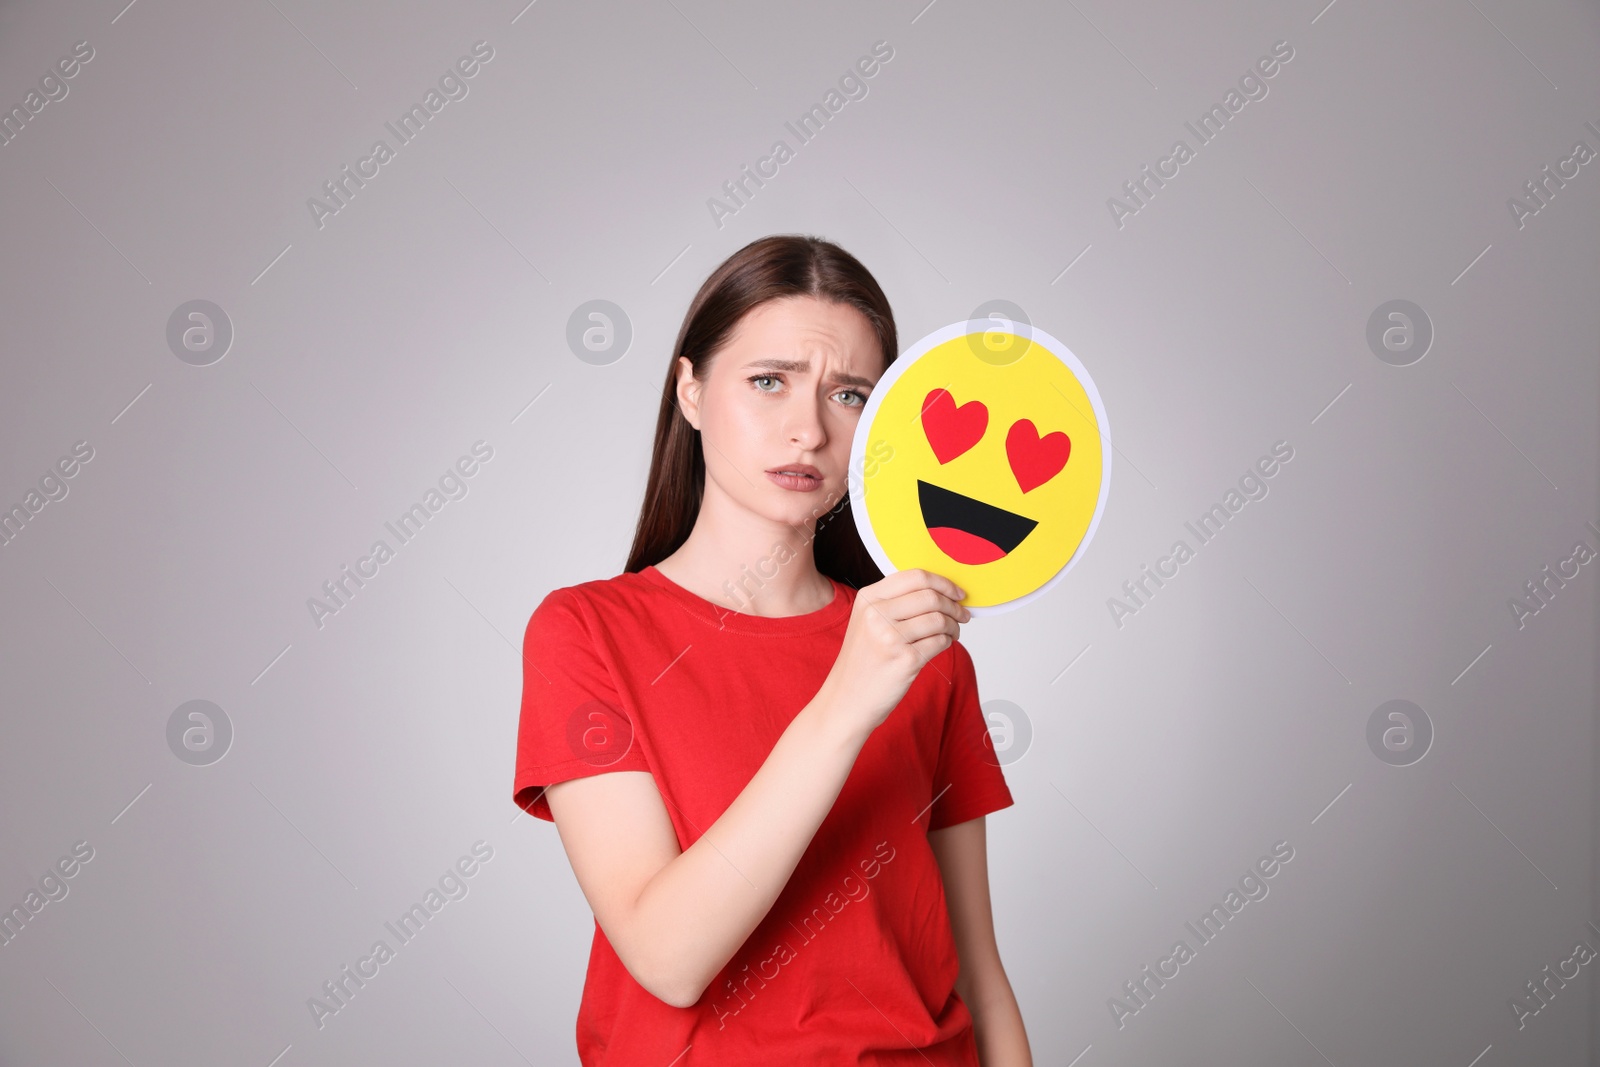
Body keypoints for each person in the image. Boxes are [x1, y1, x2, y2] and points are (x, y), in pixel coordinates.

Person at [513, 234, 1032, 1065]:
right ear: (690, 390)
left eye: (850, 394)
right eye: (768, 381)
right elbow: (667, 957)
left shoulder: (924, 649)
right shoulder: (587, 632)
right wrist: (845, 703)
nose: (809, 430)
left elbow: (978, 969)